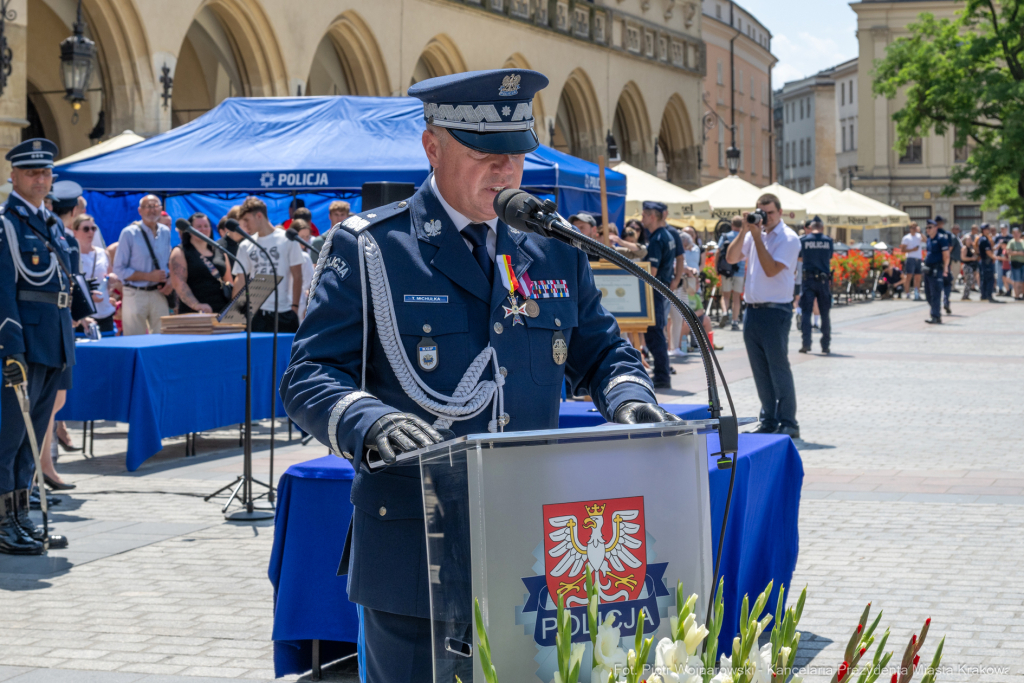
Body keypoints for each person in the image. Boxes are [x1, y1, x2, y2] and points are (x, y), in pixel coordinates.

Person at [281, 69, 678, 683]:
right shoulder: (372, 248)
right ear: (432, 147)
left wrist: (629, 399)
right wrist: (370, 418)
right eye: (485, 155)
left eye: (516, 156)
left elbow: (602, 353)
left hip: (534, 547)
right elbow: (309, 375)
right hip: (415, 549)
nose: (506, 173)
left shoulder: (552, 248)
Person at [0, 138, 73, 554]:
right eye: (32, 172)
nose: (41, 179)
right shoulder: (6, 224)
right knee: (10, 437)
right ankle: (2, 526)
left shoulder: (49, 223)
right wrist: (12, 349)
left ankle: (21, 518)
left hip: (53, 341)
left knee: (33, 439)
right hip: (24, 346)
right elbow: (3, 292)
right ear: (13, 176)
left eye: (46, 172)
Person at [725, 193, 801, 439]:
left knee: (778, 368)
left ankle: (789, 421)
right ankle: (769, 419)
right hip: (753, 310)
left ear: (779, 212)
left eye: (769, 213)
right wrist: (744, 231)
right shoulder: (756, 234)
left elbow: (770, 270)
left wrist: (757, 237)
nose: (764, 217)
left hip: (776, 310)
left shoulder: (788, 238)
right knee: (759, 369)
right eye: (760, 212)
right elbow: (731, 258)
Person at [229, 196, 305, 333]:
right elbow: (240, 280)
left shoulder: (287, 239)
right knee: (255, 353)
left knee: (285, 353)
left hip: (284, 311)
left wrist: (294, 307)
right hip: (255, 313)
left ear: (259, 215)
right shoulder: (245, 245)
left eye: (247, 220)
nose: (245, 225)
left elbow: (297, 275)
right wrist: (234, 315)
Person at [112, 194, 172, 334]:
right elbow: (119, 269)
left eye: (155, 206)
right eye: (148, 207)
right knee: (135, 338)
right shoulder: (129, 233)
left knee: (163, 337)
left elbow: (168, 262)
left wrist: (170, 280)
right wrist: (148, 276)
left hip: (159, 293)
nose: (152, 210)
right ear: (140, 211)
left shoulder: (165, 232)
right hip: (135, 294)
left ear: (161, 208)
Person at [641, 200, 678, 389]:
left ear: (652, 216)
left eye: (644, 215)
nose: (641, 219)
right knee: (658, 332)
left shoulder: (657, 238)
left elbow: (652, 272)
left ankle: (662, 376)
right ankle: (662, 373)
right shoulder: (667, 234)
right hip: (662, 287)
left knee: (654, 334)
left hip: (654, 289)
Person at [170, 212, 231, 314]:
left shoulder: (220, 251)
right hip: (196, 313)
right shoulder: (180, 252)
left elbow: (229, 282)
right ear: (189, 230)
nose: (203, 229)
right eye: (198, 226)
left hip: (222, 311)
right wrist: (196, 305)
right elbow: (179, 284)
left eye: (206, 226)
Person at [72, 214, 117, 333]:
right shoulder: (72, 255)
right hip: (83, 314)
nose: (90, 232)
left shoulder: (103, 253)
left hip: (104, 311)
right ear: (75, 231)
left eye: (93, 228)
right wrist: (88, 296)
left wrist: (112, 280)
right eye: (86, 229)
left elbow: (109, 276)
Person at [798, 216, 834, 354]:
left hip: (808, 280)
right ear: (822, 227)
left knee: (806, 313)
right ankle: (825, 345)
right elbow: (829, 256)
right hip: (824, 281)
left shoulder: (804, 240)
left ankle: (806, 343)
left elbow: (800, 257)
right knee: (825, 314)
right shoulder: (828, 241)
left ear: (811, 228)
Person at [716, 216, 746, 331]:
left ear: (732, 224)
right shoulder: (743, 237)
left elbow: (718, 251)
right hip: (740, 269)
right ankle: (735, 321)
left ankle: (724, 312)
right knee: (737, 297)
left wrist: (716, 267)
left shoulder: (725, 236)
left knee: (725, 295)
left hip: (726, 269)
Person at [922, 220, 950, 324]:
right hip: (928, 270)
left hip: (936, 269)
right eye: (926, 228)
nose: (927, 229)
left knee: (935, 293)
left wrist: (945, 268)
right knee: (928, 294)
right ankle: (936, 313)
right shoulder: (929, 239)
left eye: (929, 227)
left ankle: (935, 316)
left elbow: (946, 255)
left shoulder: (941, 239)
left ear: (935, 228)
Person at [291, 218, 316, 320]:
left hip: (300, 304)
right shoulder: (304, 256)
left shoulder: (305, 256)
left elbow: (310, 285)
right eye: (301, 237)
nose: (304, 241)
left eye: (307, 237)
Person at [900, 222, 924, 300]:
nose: (914, 229)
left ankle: (917, 292)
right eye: (912, 227)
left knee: (918, 277)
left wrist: (920, 232)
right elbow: (902, 250)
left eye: (915, 227)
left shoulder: (919, 236)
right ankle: (907, 293)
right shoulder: (906, 238)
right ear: (910, 229)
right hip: (910, 258)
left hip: (918, 258)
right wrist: (912, 249)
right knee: (909, 277)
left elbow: (926, 240)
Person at [977, 224, 999, 303]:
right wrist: (995, 257)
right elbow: (988, 252)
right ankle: (989, 296)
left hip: (985, 261)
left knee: (985, 279)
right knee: (990, 279)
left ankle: (984, 296)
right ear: (983, 230)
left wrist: (996, 248)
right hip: (987, 261)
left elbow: (989, 249)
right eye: (987, 229)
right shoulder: (984, 239)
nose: (988, 230)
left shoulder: (984, 238)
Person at [960, 232, 979, 300]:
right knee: (968, 281)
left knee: (971, 281)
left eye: (970, 239)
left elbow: (976, 252)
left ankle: (966, 295)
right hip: (967, 266)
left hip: (971, 266)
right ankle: (965, 295)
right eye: (968, 239)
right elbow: (963, 257)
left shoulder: (970, 248)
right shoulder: (964, 248)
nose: (970, 240)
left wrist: (974, 245)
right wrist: (971, 258)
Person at [995, 225, 1012, 296]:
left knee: (1008, 277)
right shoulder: (998, 237)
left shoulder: (1010, 237)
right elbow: (994, 247)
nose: (1002, 230)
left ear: (1007, 229)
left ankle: (1009, 290)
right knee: (1000, 275)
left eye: (1004, 228)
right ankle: (1001, 289)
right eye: (1001, 228)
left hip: (1007, 261)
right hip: (1000, 259)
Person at [1008, 227, 1024, 300]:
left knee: (1023, 280)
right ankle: (1017, 296)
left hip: (1023, 263)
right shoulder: (1011, 242)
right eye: (1014, 233)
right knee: (1017, 280)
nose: (1016, 234)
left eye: (1018, 233)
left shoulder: (1022, 241)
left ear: (1020, 233)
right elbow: (1009, 252)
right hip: (1015, 263)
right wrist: (1019, 253)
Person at [948, 223, 963, 292]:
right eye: (956, 229)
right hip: (954, 259)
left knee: (956, 273)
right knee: (954, 273)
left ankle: (953, 286)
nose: (958, 230)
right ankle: (951, 287)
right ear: (952, 229)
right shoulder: (953, 237)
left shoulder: (956, 237)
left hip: (957, 258)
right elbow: (950, 248)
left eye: (958, 229)